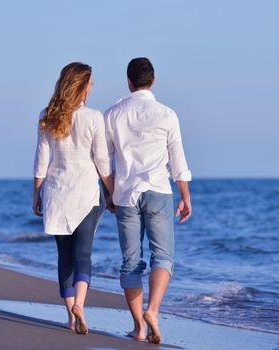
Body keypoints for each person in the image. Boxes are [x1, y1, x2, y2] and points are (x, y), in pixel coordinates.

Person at [104, 57, 192, 344]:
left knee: (130, 262)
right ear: (152, 81)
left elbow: (104, 160)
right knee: (163, 257)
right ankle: (153, 310)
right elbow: (177, 157)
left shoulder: (113, 114)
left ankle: (139, 326)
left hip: (126, 193)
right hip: (158, 190)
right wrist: (185, 195)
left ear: (129, 82)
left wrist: (109, 192)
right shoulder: (167, 114)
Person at [32, 62, 113, 335]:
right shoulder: (93, 117)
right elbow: (102, 160)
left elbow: (41, 161)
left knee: (64, 256)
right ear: (82, 87)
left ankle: (70, 316)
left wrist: (36, 193)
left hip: (56, 194)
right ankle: (80, 304)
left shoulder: (47, 117)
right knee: (83, 254)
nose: (92, 88)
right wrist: (112, 192)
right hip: (86, 195)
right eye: (90, 83)